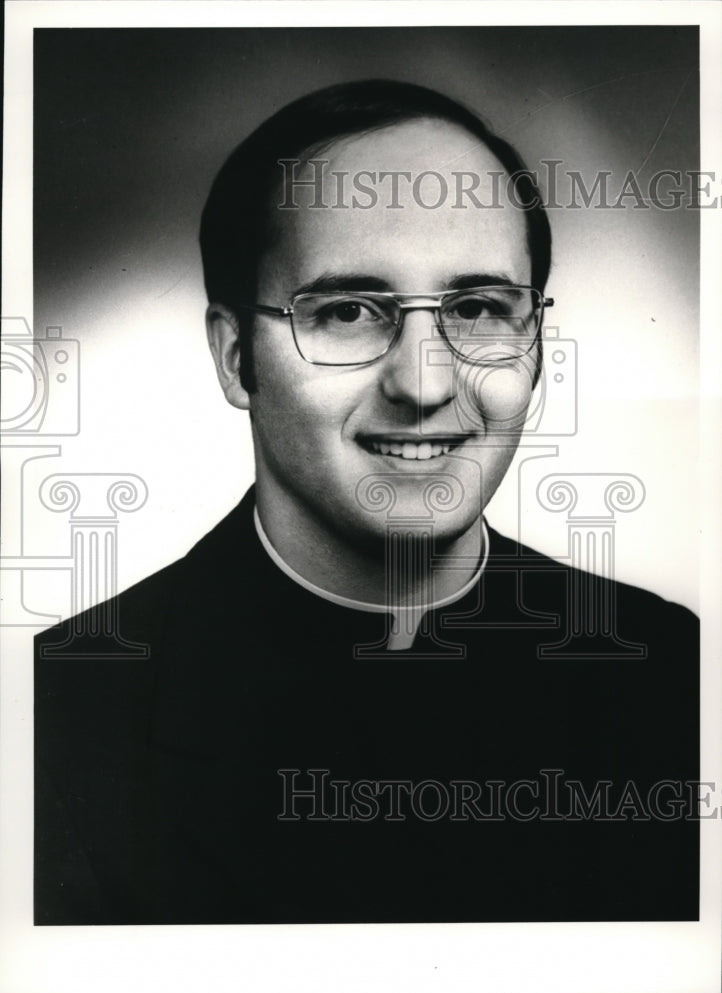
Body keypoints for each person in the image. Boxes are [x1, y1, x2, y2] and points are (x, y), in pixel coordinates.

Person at [35, 79, 699, 925]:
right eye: (348, 310)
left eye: (479, 308)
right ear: (238, 358)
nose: (424, 383)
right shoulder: (50, 722)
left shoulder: (678, 677)